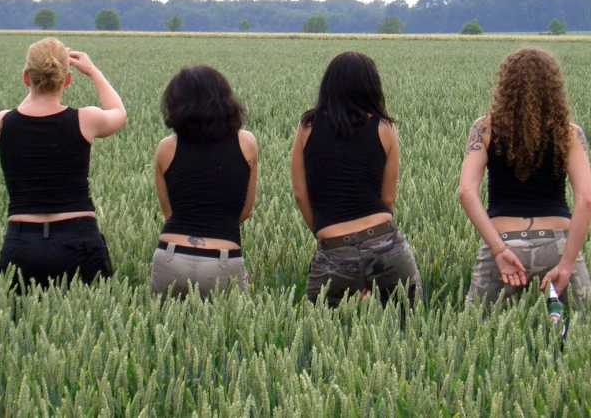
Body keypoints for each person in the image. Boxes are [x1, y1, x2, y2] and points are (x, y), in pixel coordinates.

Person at [458, 47, 591, 308]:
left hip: (505, 241)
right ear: (553, 86)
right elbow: (585, 200)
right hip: (558, 244)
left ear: (506, 84)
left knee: (479, 332)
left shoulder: (484, 128)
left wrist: (498, 250)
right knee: (580, 336)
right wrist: (566, 264)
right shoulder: (570, 134)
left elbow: (466, 191)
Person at [290, 52, 422, 307]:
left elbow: (299, 193)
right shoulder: (385, 127)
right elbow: (387, 199)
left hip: (333, 245)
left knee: (323, 337)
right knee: (410, 326)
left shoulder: (307, 126)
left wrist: (326, 236)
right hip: (385, 242)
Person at [0, 37, 127, 288]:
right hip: (79, 243)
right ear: (67, 79)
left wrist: (37, 80)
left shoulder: (2, 122)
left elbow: (23, 111)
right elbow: (119, 113)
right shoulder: (85, 119)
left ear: (26, 78)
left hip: (21, 245)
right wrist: (93, 71)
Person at [151, 66, 258, 299]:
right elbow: (246, 210)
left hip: (171, 256)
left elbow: (168, 213)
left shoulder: (166, 147)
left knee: (166, 330)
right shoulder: (246, 143)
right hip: (222, 259)